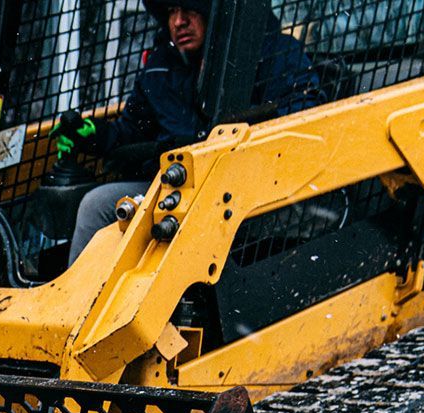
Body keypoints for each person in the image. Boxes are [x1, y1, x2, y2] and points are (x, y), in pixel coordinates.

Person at [54, 0, 321, 265]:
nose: (179, 21)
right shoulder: (161, 65)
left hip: (244, 190)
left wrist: (207, 144)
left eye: (189, 10)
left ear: (216, 10)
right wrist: (93, 135)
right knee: (97, 205)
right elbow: (133, 132)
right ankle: (80, 305)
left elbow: (299, 120)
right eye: (171, 11)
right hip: (173, 187)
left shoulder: (272, 53)